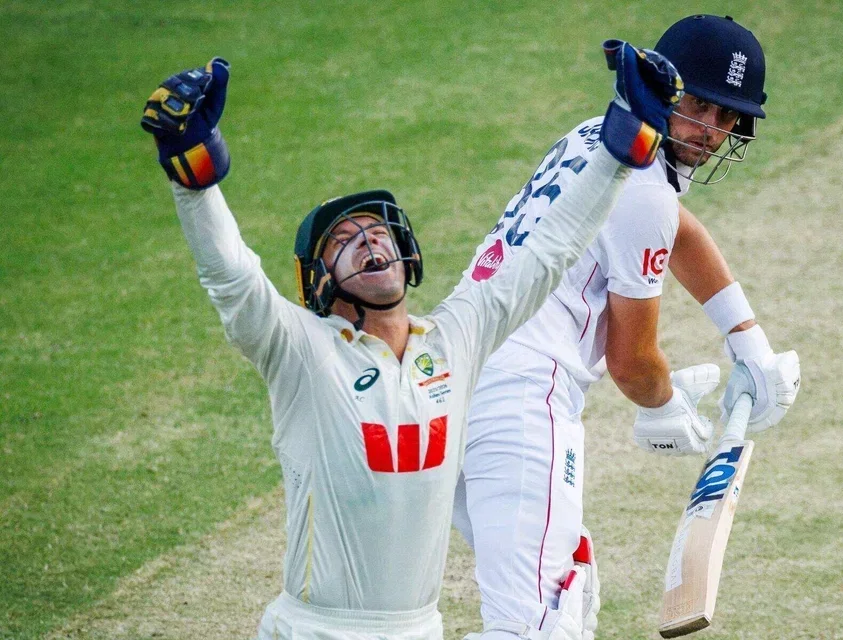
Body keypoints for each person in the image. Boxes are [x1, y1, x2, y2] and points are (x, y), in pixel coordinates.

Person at [139, 42, 683, 640]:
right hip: (316, 630)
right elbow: (233, 280)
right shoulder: (300, 352)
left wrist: (625, 143)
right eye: (344, 240)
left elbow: (549, 249)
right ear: (316, 283)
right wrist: (193, 178)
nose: (370, 242)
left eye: (379, 230)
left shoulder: (456, 339)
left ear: (409, 254)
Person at [451, 15, 802, 640]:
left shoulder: (599, 138)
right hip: (521, 401)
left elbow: (678, 228)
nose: (713, 131)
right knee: (536, 628)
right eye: (701, 106)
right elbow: (633, 363)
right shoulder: (644, 190)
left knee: (563, 598)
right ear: (666, 91)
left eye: (728, 118)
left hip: (453, 376)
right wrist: (668, 409)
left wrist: (746, 338)